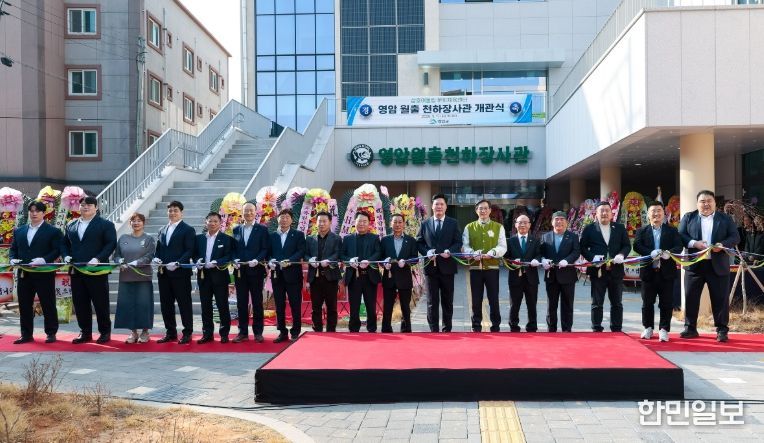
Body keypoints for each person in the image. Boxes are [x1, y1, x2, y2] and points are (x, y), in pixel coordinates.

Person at [678, 190, 740, 342]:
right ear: (697, 203)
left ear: (714, 203)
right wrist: (694, 243)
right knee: (691, 297)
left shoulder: (725, 219)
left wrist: (722, 244)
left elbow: (735, 237)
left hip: (717, 266)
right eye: (702, 201)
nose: (706, 204)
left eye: (709, 201)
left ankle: (722, 330)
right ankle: (690, 328)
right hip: (694, 266)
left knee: (720, 300)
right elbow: (680, 235)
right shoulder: (688, 217)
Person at [61, 196, 117, 344]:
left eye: (89, 205)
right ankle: (85, 332)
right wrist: (66, 255)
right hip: (77, 270)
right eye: (83, 205)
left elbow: (111, 244)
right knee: (80, 303)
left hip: (96, 270)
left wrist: (98, 258)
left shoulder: (105, 224)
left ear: (96, 207)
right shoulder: (71, 224)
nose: (85, 207)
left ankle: (104, 332)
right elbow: (64, 243)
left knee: (100, 303)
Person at [9, 200, 63, 344]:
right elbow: (13, 249)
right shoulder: (19, 231)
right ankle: (26, 334)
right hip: (24, 273)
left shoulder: (53, 231)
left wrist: (44, 259)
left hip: (44, 272)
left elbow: (57, 249)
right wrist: (12, 259)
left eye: (37, 211)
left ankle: (51, 333)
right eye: (31, 211)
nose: (34, 214)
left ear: (44, 213)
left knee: (48, 303)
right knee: (24, 304)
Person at [633, 202, 683, 342]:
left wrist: (669, 253)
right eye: (653, 211)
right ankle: (648, 328)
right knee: (647, 303)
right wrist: (650, 253)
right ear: (648, 214)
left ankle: (664, 329)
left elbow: (679, 246)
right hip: (648, 273)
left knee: (666, 303)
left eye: (659, 211)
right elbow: (637, 245)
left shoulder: (672, 230)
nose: (656, 214)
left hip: (666, 273)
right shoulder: (642, 230)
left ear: (663, 213)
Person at [579, 201, 632, 332]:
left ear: (611, 213)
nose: (604, 213)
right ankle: (597, 328)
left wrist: (621, 254)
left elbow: (627, 245)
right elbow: (582, 247)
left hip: (616, 270)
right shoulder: (589, 229)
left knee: (617, 302)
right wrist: (592, 258)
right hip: (598, 271)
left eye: (607, 210)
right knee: (597, 302)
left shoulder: (619, 228)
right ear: (596, 214)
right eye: (601, 210)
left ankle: (616, 328)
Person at [416, 194, 462, 332]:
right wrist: (427, 252)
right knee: (431, 301)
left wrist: (450, 251)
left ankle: (447, 328)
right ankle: (433, 329)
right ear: (432, 206)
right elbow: (419, 242)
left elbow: (458, 242)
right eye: (436, 204)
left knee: (447, 301)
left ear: (446, 207)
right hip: (430, 269)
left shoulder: (453, 223)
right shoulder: (425, 224)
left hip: (448, 268)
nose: (439, 207)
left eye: (442, 204)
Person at [154, 200, 196, 344]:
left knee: (184, 304)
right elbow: (158, 249)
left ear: (181, 213)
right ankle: (170, 332)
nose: (172, 213)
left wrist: (178, 263)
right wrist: (156, 258)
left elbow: (190, 250)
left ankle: (187, 332)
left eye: (175, 210)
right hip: (164, 273)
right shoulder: (162, 229)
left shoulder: (188, 229)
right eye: (170, 210)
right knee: (166, 304)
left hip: (181, 274)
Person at [462, 199, 507, 332]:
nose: (483, 211)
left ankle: (496, 325)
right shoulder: (469, 227)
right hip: (475, 268)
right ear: (476, 211)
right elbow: (465, 246)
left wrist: (493, 253)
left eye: (486, 208)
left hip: (492, 268)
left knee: (493, 298)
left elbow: (502, 246)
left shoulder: (498, 227)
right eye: (480, 208)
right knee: (476, 298)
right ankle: (476, 325)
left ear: (490, 210)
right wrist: (472, 253)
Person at [112, 213, 156, 344]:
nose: (136, 223)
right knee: (128, 305)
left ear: (143, 223)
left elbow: (150, 256)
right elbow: (116, 255)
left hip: (143, 277)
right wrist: (119, 261)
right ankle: (133, 332)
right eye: (133, 221)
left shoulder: (149, 239)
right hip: (126, 277)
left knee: (144, 304)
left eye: (139, 221)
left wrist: (136, 263)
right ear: (129, 223)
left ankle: (145, 332)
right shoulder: (123, 238)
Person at [231, 202, 270, 343]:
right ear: (242, 213)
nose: (248, 213)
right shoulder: (236, 229)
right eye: (245, 211)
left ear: (255, 212)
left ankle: (258, 332)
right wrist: (234, 259)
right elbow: (233, 249)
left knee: (257, 302)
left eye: (251, 210)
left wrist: (257, 259)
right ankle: (242, 332)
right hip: (240, 271)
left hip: (256, 271)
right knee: (241, 302)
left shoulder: (262, 229)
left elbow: (265, 248)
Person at [193, 212, 234, 344]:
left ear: (220, 223)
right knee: (205, 306)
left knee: (222, 305)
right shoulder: (199, 238)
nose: (212, 223)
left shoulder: (226, 239)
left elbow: (229, 255)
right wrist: (197, 261)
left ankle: (224, 334)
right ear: (205, 222)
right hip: (203, 276)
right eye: (210, 221)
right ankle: (207, 333)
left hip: (219, 276)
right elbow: (194, 254)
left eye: (215, 221)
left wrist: (217, 262)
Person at [269, 208, 306, 343]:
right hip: (277, 275)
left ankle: (295, 331)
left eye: (287, 217)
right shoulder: (272, 236)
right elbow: (268, 252)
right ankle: (282, 332)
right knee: (279, 305)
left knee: (295, 304)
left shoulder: (298, 235)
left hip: (293, 275)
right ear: (278, 219)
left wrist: (290, 261)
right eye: (282, 217)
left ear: (291, 220)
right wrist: (270, 260)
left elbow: (301, 251)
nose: (284, 219)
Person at [539, 211, 581, 332]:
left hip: (568, 275)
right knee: (551, 305)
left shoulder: (573, 237)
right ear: (552, 222)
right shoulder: (545, 236)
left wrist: (567, 260)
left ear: (566, 222)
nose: (559, 222)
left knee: (567, 304)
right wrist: (543, 260)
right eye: (556, 219)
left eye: (562, 219)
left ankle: (566, 329)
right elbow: (540, 252)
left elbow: (576, 252)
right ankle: (551, 329)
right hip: (551, 275)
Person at [341, 212, 382, 333]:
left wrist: (369, 261)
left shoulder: (374, 238)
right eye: (359, 221)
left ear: (369, 223)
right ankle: (354, 328)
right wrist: (349, 260)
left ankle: (372, 328)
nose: (362, 224)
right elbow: (342, 255)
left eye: (365, 221)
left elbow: (378, 252)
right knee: (354, 305)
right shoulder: (347, 239)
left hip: (370, 276)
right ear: (355, 222)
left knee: (371, 305)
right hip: (354, 277)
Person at [380, 214, 418, 333]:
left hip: (404, 278)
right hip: (389, 277)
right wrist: (384, 263)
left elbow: (415, 258)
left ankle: (406, 329)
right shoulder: (385, 240)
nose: (397, 224)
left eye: (400, 222)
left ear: (403, 224)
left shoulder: (411, 240)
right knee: (388, 306)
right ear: (390, 224)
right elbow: (380, 257)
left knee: (405, 306)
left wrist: (406, 262)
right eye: (395, 222)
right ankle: (386, 329)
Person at [305, 211, 342, 332]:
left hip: (331, 277)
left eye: (324, 221)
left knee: (332, 307)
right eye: (319, 221)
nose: (321, 224)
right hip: (315, 278)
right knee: (316, 307)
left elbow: (338, 254)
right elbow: (305, 254)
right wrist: (309, 260)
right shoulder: (310, 238)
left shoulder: (336, 238)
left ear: (330, 222)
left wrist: (329, 261)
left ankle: (331, 330)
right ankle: (317, 330)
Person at [505, 214, 542, 332]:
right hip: (515, 277)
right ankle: (513, 326)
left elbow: (539, 254)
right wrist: (512, 261)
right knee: (514, 304)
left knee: (532, 304)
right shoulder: (510, 241)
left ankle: (532, 326)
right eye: (520, 222)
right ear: (515, 225)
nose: (523, 225)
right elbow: (505, 258)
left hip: (531, 278)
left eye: (525, 222)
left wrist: (537, 260)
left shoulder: (535, 240)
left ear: (529, 225)